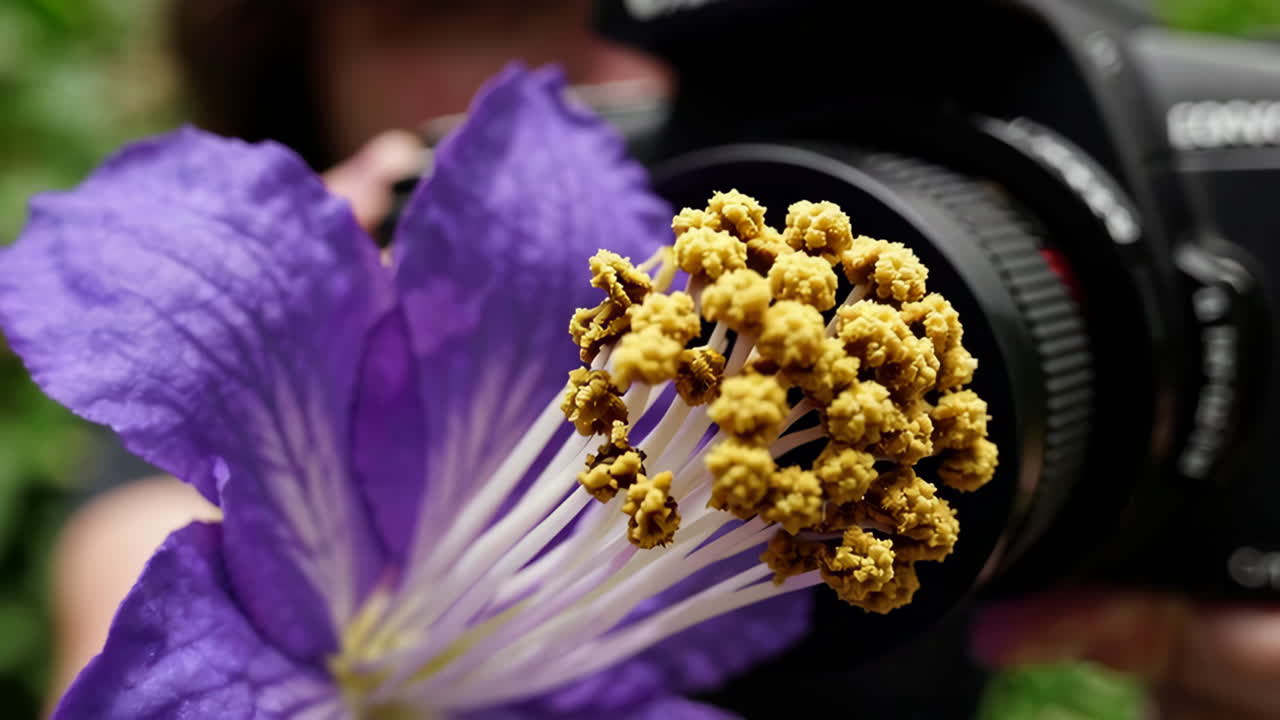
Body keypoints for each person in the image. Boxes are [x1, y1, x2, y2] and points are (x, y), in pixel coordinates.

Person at [44, 2, 1280, 718]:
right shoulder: (258, 330)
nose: (596, 78)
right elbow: (125, 552)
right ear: (285, 52)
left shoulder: (819, 417)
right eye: (466, 0)